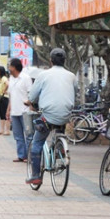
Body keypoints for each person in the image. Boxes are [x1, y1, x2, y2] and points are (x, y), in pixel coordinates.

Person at [25, 47, 77, 186]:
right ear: (64, 60)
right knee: (59, 130)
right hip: (65, 115)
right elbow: (74, 93)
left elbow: (32, 96)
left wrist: (29, 101)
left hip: (47, 117)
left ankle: (36, 175)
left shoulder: (43, 75)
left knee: (37, 143)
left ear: (50, 60)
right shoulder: (72, 76)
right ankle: (59, 152)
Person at [7, 58, 32, 162]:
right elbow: (10, 95)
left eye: (10, 66)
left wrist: (31, 107)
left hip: (25, 111)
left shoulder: (26, 78)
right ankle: (21, 155)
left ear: (14, 67)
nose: (8, 68)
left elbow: (31, 94)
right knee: (18, 136)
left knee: (28, 135)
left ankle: (29, 156)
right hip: (14, 111)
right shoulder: (11, 78)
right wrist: (8, 110)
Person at [0, 66, 10, 136]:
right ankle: (2, 130)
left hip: (4, 97)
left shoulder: (4, 78)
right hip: (0, 98)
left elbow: (7, 84)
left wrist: (4, 91)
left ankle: (7, 130)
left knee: (5, 114)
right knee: (1, 114)